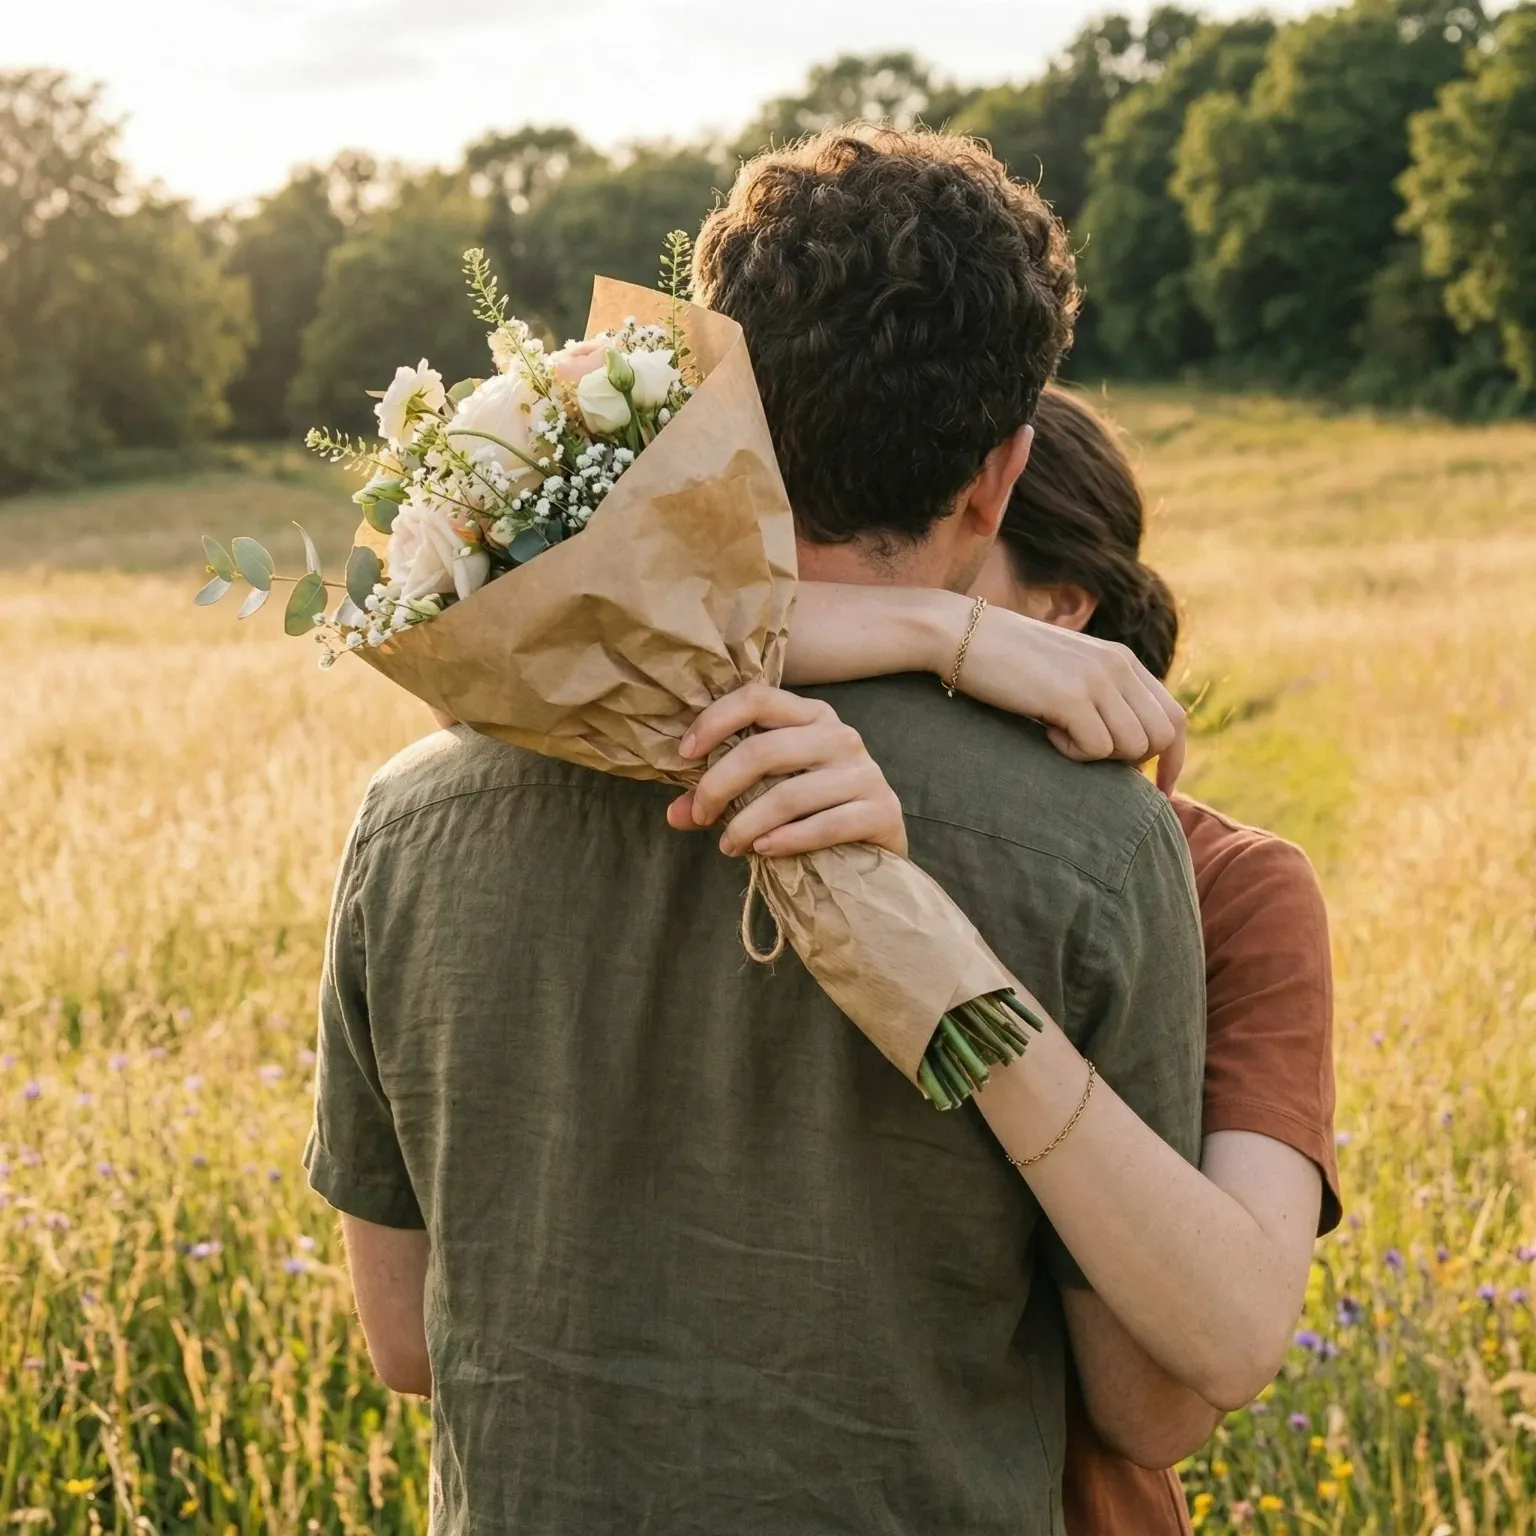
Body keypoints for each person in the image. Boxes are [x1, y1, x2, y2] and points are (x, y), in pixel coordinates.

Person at [304, 128, 1211, 1534]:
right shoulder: (1099, 841)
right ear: (1001, 473)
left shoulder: (410, 818)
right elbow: (1148, 1399)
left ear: (707, 403)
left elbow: (410, 1342)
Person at [680, 384, 1339, 1532]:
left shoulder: (1229, 889)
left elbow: (1160, 1400)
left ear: (1064, 608)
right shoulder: (723, 794)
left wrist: (957, 981)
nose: (809, 619)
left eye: (958, 585)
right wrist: (938, 627)